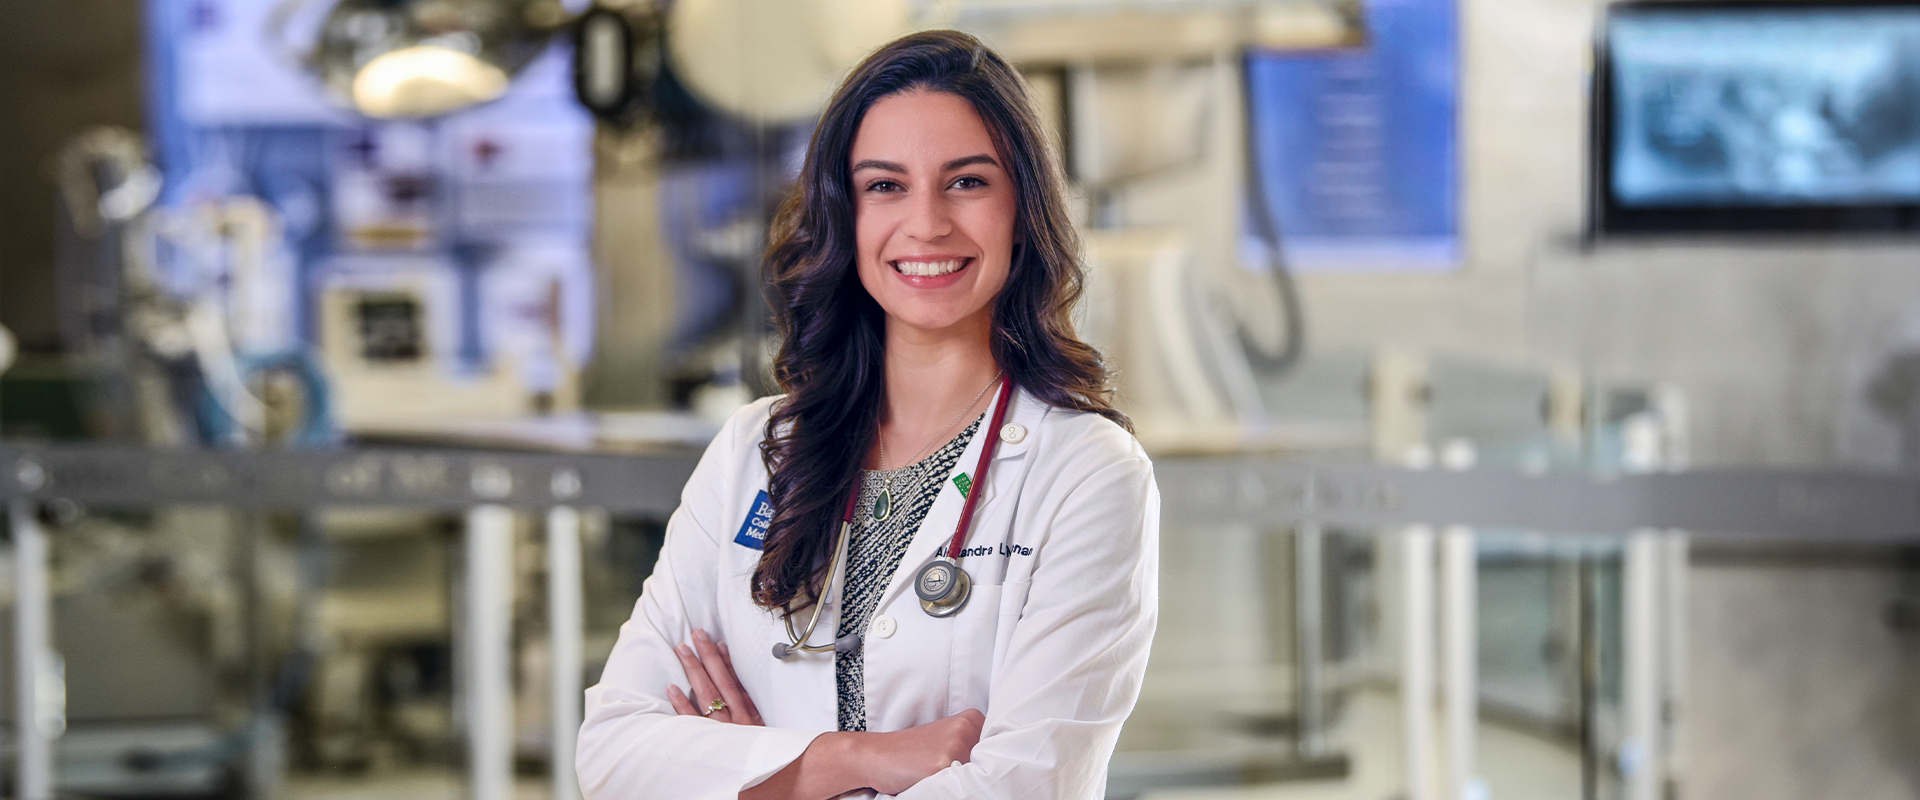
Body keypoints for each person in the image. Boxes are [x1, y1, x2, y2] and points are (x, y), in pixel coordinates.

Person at [576, 29, 1160, 799]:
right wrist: (844, 761)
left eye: (967, 182)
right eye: (885, 185)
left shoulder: (1085, 473)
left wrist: (759, 776)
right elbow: (613, 755)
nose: (925, 224)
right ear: (843, 213)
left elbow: (1024, 787)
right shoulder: (757, 449)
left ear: (1022, 210)